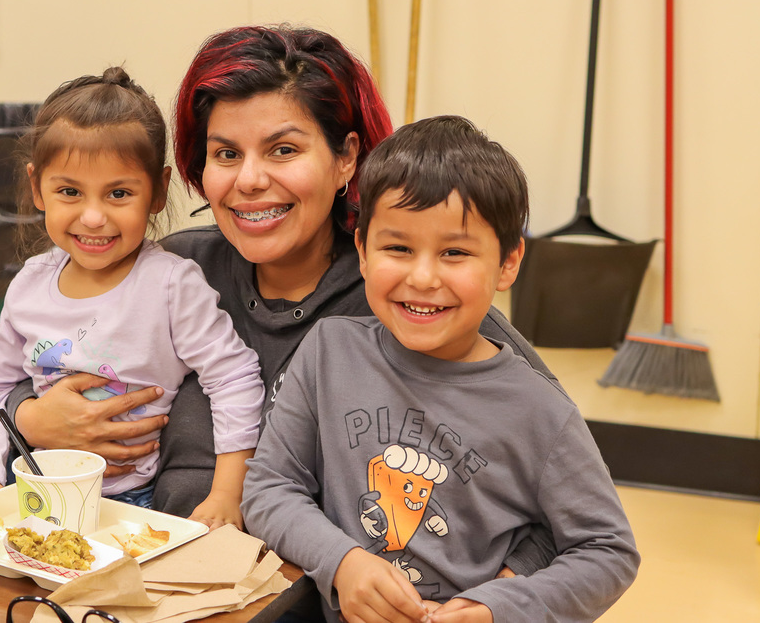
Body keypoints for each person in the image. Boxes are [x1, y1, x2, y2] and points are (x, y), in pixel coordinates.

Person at [4, 26, 559, 572]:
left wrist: (501, 593)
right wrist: (27, 418)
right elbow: (50, 356)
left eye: (283, 149)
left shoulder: (404, 299)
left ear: (347, 159)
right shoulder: (175, 270)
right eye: (226, 154)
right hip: (146, 577)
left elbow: (564, 503)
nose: (249, 179)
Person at [241, 115, 640, 623]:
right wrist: (342, 563)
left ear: (509, 262)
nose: (423, 277)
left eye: (455, 252)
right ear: (362, 250)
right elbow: (270, 487)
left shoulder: (540, 410)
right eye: (398, 248)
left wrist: (498, 609)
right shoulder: (328, 352)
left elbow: (607, 549)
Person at [0, 67, 264, 530]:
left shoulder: (172, 284)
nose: (93, 217)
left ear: (156, 191)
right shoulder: (31, 284)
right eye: (69, 191)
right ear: (38, 187)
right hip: (34, 484)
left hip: (134, 503)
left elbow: (234, 379)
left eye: (118, 193)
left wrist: (226, 493)